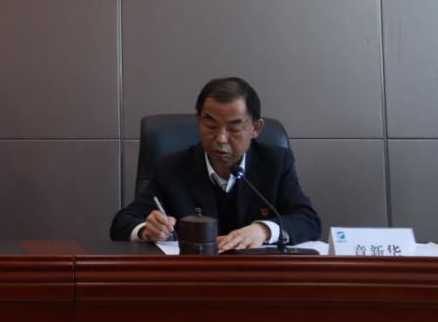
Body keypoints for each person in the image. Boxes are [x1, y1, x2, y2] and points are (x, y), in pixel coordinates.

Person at [109, 77, 320, 250]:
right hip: (193, 280)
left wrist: (263, 230)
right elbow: (123, 222)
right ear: (198, 121)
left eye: (234, 128)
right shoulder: (171, 168)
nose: (221, 138)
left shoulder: (275, 163)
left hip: (258, 280)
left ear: (256, 128)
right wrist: (146, 230)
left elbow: (308, 219)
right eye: (211, 126)